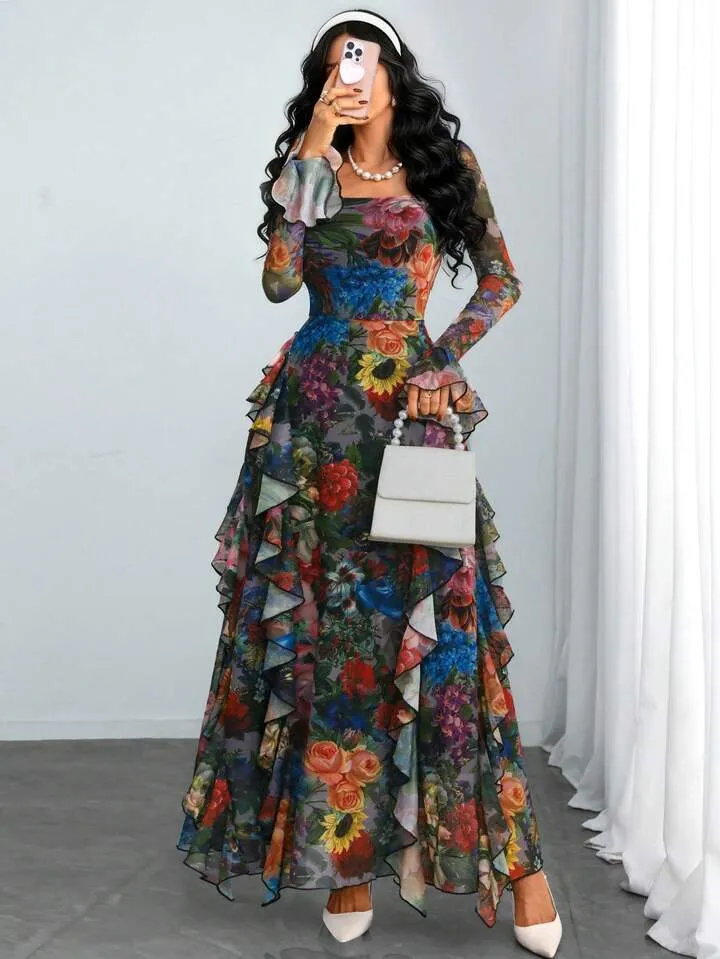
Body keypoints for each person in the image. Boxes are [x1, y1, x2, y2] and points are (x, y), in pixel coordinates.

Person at [176, 9, 562, 957]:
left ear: (393, 73)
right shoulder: (307, 172)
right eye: (331, 69)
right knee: (329, 635)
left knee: (444, 631)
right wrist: (311, 144)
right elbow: (279, 282)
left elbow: (502, 280)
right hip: (313, 428)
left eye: (361, 61)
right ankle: (344, 859)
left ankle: (522, 868)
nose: (348, 78)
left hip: (407, 417)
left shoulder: (444, 166)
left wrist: (442, 356)